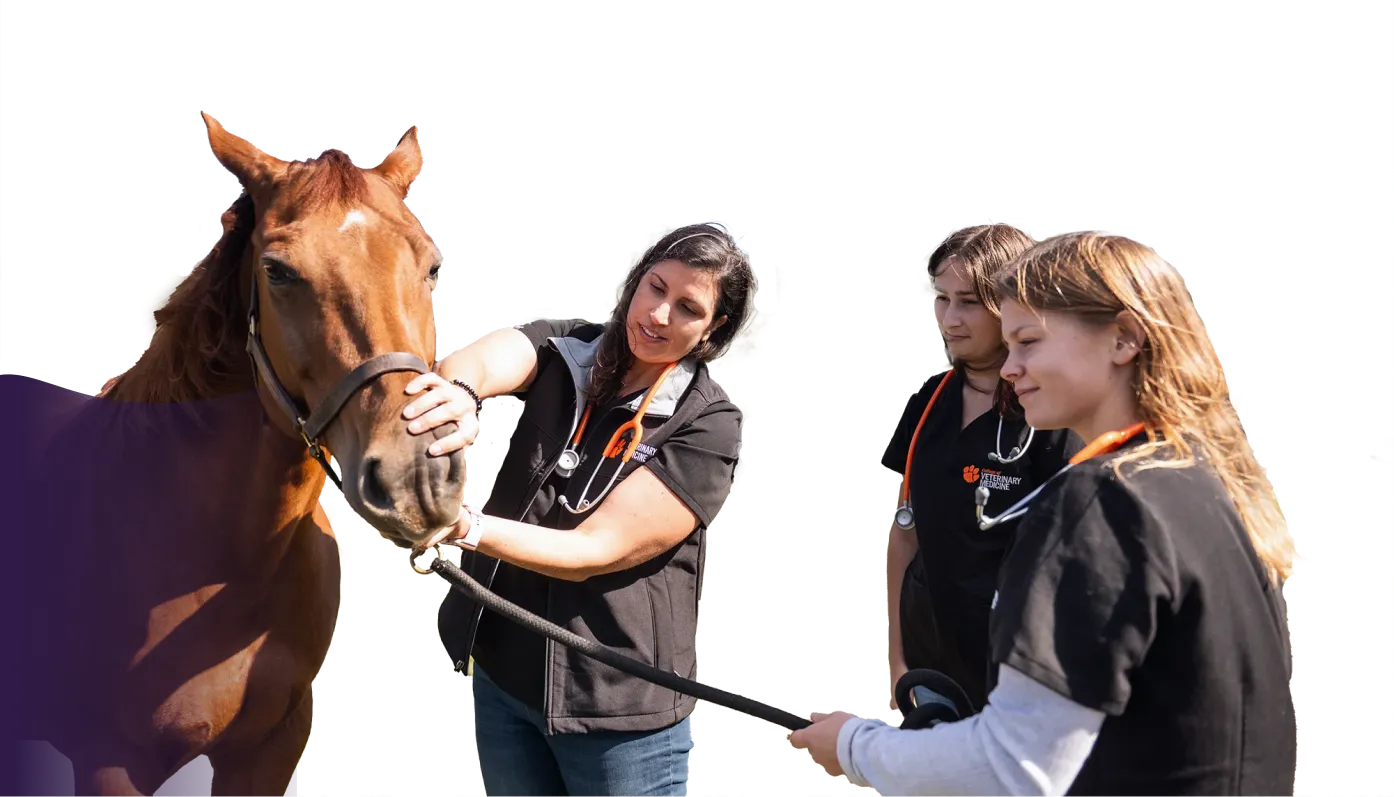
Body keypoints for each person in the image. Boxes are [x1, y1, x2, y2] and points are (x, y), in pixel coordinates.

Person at [793, 230, 1303, 796]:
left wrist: (853, 745)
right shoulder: (1197, 473)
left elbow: (1015, 768)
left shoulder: (1101, 501)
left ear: (1124, 339)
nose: (1010, 370)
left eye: (1029, 341)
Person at [402, 221, 757, 797]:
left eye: (688, 307)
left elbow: (592, 551)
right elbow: (492, 355)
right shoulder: (574, 347)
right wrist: (462, 394)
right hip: (505, 678)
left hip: (617, 713)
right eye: (656, 288)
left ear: (713, 327)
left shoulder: (708, 424)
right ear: (636, 281)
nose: (660, 315)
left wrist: (462, 525)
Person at [882, 223, 1083, 714]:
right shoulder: (929, 402)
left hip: (1025, 683)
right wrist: (896, 664)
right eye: (942, 298)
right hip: (932, 675)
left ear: (1013, 306)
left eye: (969, 302)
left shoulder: (1055, 415)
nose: (949, 318)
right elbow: (905, 532)